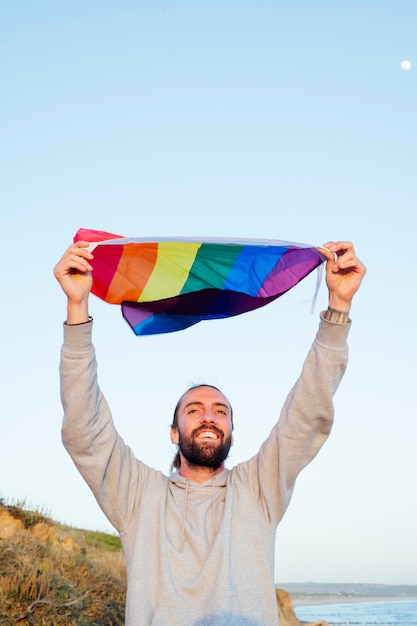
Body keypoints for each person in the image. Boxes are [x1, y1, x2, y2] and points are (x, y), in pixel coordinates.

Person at [54, 239, 366, 626]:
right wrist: (77, 309)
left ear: (232, 433)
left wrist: (339, 308)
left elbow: (307, 411)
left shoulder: (259, 490)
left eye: (220, 411)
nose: (209, 417)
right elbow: (85, 428)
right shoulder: (138, 497)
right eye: (194, 409)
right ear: (173, 432)